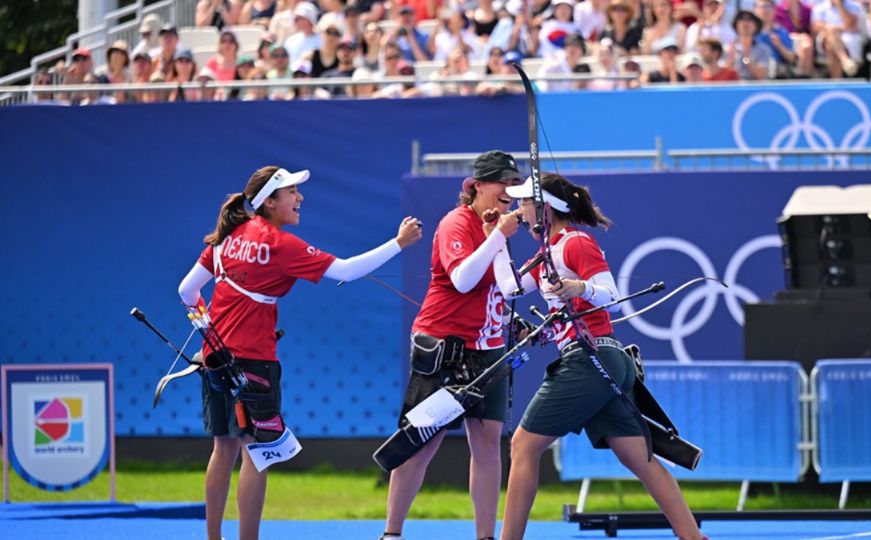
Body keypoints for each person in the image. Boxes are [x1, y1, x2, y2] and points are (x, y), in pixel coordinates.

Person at [178, 166, 422, 540]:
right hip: (254, 362)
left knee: (222, 449)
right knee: (257, 454)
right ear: (270, 202)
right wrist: (399, 243)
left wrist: (206, 329)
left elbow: (186, 291)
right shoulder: (278, 244)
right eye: (292, 191)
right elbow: (347, 270)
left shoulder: (225, 239)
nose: (300, 198)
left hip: (214, 358)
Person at [491, 173, 706, 540]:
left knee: (523, 445)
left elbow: (609, 292)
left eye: (524, 203)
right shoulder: (546, 253)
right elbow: (509, 288)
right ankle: (694, 538)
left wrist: (578, 286)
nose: (518, 209)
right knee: (640, 457)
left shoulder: (574, 242)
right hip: (603, 363)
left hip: (590, 360)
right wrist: (495, 238)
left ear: (544, 208)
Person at [381, 151, 524, 540]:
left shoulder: (495, 226)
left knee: (488, 442)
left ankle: (484, 536)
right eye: (503, 182)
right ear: (476, 186)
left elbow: (500, 287)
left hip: (488, 347)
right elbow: (462, 279)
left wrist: (512, 319)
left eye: (514, 183)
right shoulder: (457, 223)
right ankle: (392, 533)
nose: (510, 190)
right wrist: (498, 236)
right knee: (422, 440)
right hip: (446, 347)